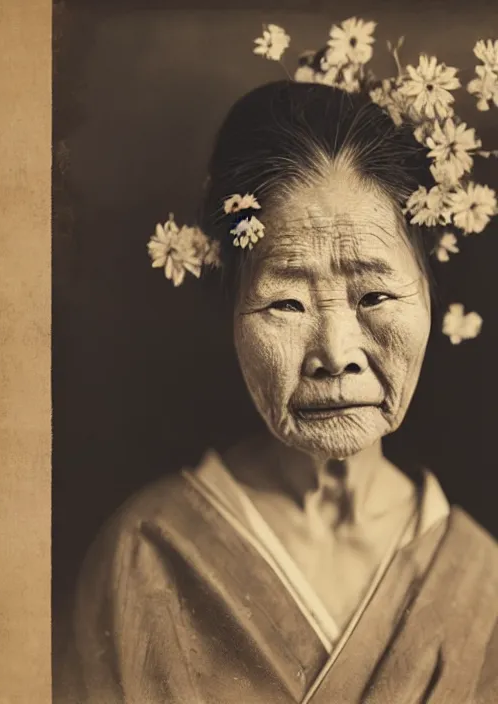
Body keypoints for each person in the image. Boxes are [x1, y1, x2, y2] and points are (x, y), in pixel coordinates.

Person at [59, 81, 498, 704]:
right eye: (286, 302)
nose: (336, 355)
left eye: (374, 296)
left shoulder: (481, 586)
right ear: (231, 307)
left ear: (429, 291)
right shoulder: (143, 557)